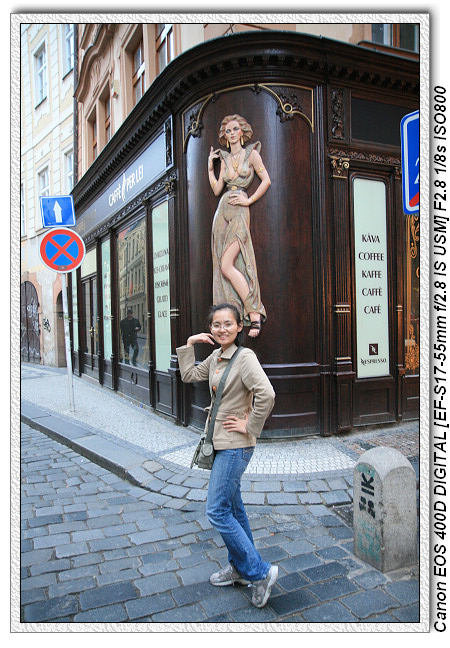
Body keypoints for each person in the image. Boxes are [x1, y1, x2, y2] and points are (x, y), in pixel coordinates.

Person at [176, 303, 278, 608]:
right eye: (216, 325)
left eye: (228, 324)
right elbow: (188, 375)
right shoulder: (217, 356)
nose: (222, 329)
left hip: (236, 444)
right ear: (211, 328)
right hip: (220, 440)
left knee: (217, 510)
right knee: (234, 508)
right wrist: (190, 344)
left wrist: (250, 425)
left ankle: (259, 572)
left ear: (239, 327)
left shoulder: (244, 357)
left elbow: (267, 394)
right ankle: (239, 568)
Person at [208, 114, 271, 338]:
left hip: (240, 209)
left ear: (242, 132)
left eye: (235, 129)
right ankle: (234, 313)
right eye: (228, 131)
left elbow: (266, 181)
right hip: (222, 211)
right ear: (225, 136)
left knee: (229, 265)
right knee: (222, 265)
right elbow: (217, 189)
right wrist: (210, 169)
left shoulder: (252, 154)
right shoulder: (225, 159)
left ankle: (255, 313)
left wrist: (249, 200)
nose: (232, 133)